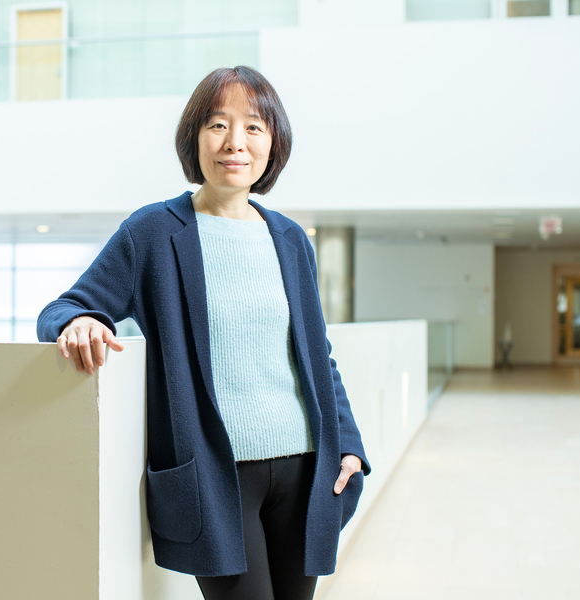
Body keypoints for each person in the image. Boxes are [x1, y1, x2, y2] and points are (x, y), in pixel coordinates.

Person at [37, 65, 370, 600]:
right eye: (218, 125)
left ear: (272, 144)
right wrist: (80, 321)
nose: (235, 143)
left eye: (254, 127)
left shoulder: (289, 239)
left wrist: (348, 444)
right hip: (215, 479)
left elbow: (317, 356)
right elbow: (68, 305)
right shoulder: (152, 232)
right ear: (194, 138)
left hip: (305, 467)